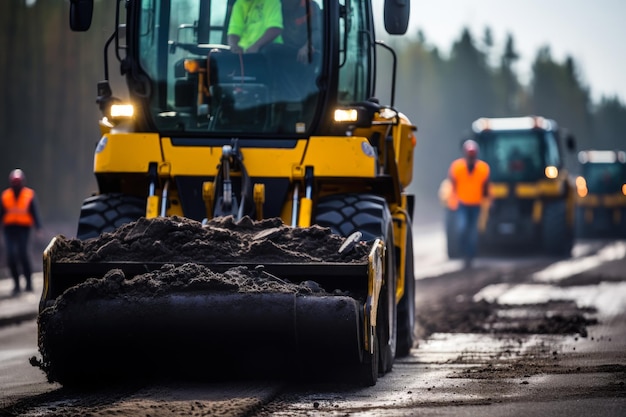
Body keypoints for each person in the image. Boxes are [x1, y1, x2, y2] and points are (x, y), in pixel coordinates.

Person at [447, 140, 491, 268]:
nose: (471, 158)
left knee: (473, 232)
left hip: (476, 205)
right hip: (462, 205)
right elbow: (452, 185)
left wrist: (489, 202)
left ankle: (469, 256)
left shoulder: (483, 169)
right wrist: (452, 201)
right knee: (462, 228)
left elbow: (486, 188)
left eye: (473, 155)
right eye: (469, 155)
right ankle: (463, 251)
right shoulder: (457, 167)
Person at [1, 169, 43, 295]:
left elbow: (35, 212)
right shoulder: (5, 196)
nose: (16, 185)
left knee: (23, 254)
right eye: (14, 182)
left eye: (18, 182)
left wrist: (38, 228)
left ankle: (29, 283)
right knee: (10, 256)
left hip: (24, 229)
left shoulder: (29, 195)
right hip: (9, 229)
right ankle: (16, 285)